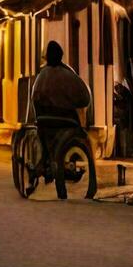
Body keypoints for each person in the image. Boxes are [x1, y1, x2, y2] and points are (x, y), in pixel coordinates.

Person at [29, 40, 92, 199]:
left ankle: (43, 163)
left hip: (45, 121)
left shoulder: (42, 75)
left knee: (43, 141)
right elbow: (84, 98)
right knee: (83, 138)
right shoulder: (68, 75)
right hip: (66, 122)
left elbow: (35, 98)